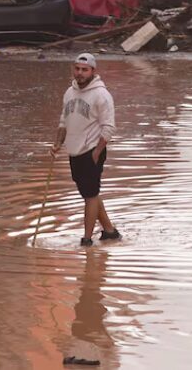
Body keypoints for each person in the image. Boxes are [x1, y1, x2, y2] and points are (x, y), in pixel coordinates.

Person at [53, 53, 119, 247]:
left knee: (89, 196)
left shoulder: (101, 95)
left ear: (93, 71)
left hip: (91, 150)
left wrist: (96, 153)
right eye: (77, 69)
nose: (80, 73)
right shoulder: (69, 93)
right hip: (73, 151)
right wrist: (57, 144)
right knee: (90, 193)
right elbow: (63, 122)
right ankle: (109, 231)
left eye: (84, 70)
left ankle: (87, 239)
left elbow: (109, 128)